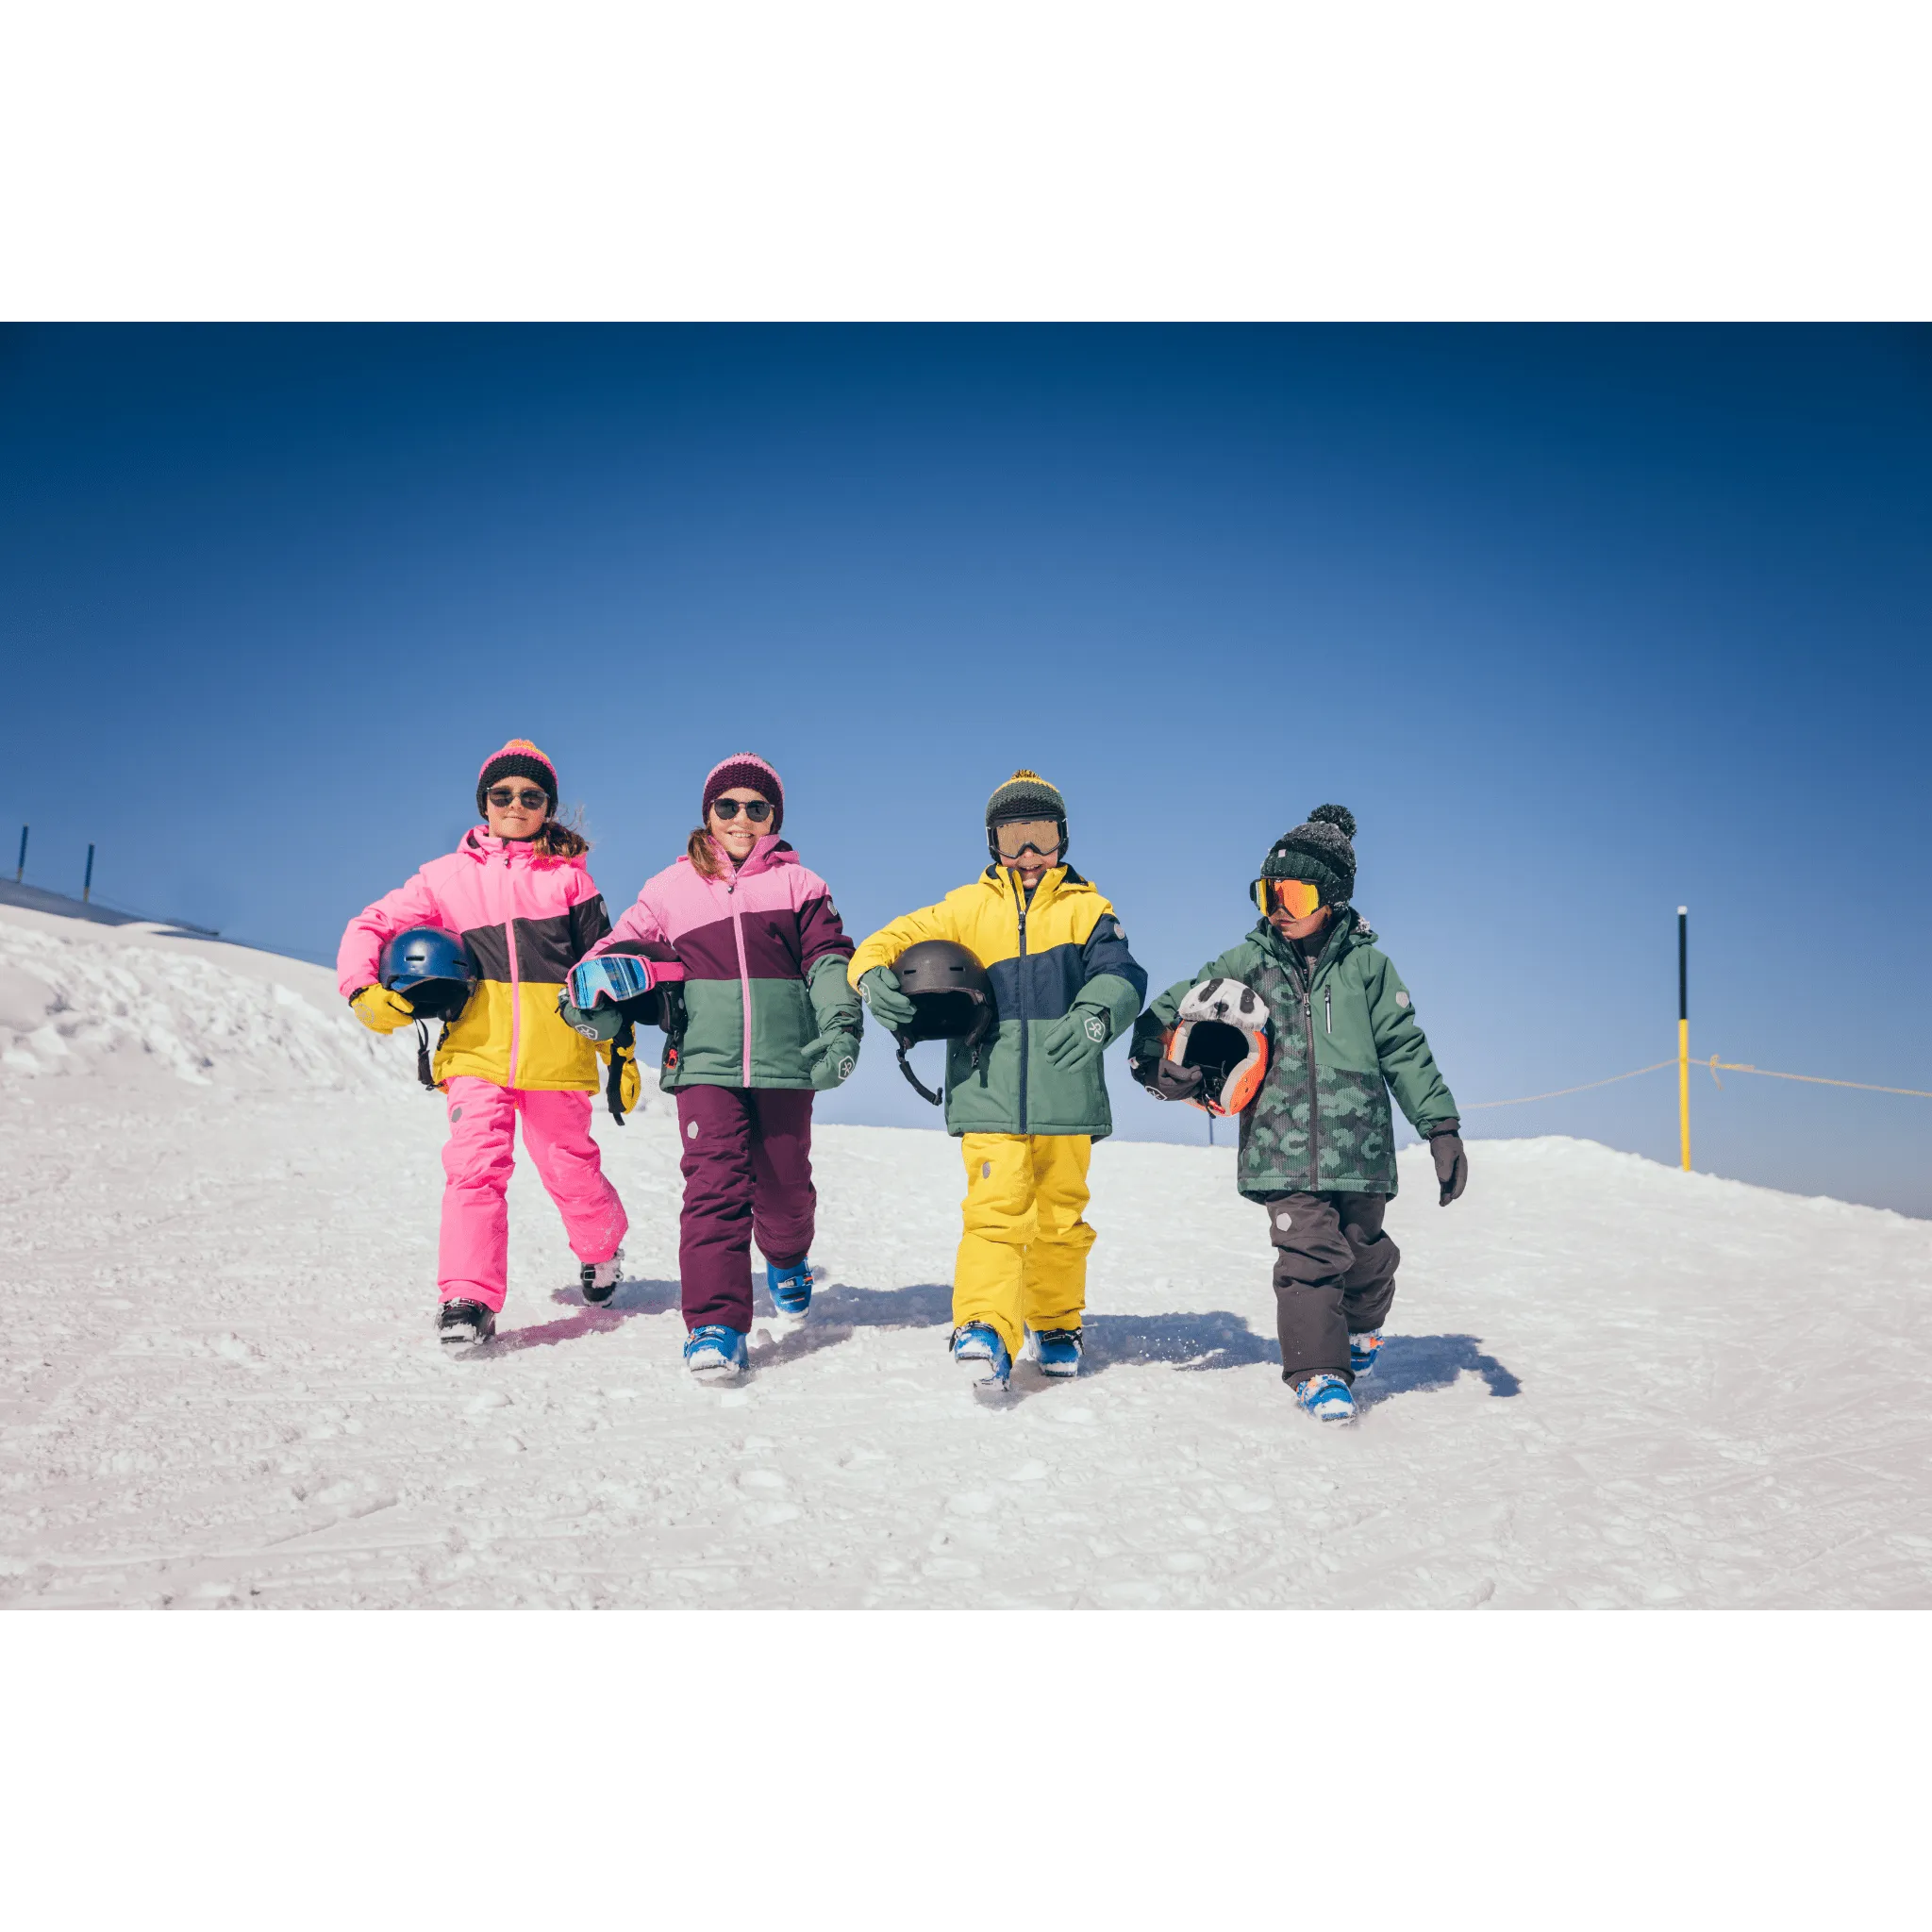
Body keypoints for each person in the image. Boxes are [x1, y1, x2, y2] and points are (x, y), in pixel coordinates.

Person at [1129, 805, 1465, 1424]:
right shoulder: (1245, 961)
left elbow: (1405, 1049)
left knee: (1365, 1255)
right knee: (1308, 1257)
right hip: (1279, 1146)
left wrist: (1441, 1128)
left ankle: (1361, 1328)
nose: (1278, 906)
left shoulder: (1369, 968)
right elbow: (1180, 1005)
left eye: (1295, 891)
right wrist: (1149, 1058)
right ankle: (1318, 1373)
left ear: (1332, 897)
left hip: (1358, 1151)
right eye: (1267, 892)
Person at [849, 771, 1146, 1394]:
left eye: (1041, 836)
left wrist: (1097, 1012)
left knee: (1060, 1218)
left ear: (1062, 839)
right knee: (995, 1211)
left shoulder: (1088, 910)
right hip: (986, 1091)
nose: (1029, 855)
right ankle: (984, 1324)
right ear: (994, 844)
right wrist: (871, 975)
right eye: (1015, 838)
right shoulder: (965, 908)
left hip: (1066, 1095)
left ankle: (1057, 1323)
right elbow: (886, 940)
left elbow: (1121, 974)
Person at [339, 739, 630, 1347]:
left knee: (567, 1166)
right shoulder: (444, 878)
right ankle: (467, 1298)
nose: (515, 805)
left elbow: (603, 966)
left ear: (547, 807)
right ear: (484, 803)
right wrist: (361, 989)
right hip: (475, 1051)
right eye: (503, 795)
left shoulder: (571, 882)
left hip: (557, 1053)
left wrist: (618, 1050)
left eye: (530, 796)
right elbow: (371, 924)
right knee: (475, 1168)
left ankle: (602, 1248)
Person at [579, 754, 860, 1377]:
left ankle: (787, 1256)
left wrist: (841, 1023)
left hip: (786, 1061)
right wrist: (588, 995)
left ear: (773, 818)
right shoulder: (667, 890)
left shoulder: (801, 885)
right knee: (714, 1187)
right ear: (708, 815)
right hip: (703, 1060)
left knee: (786, 1187)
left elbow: (829, 961)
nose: (740, 819)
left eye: (755, 808)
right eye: (726, 806)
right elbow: (614, 950)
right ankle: (714, 1324)